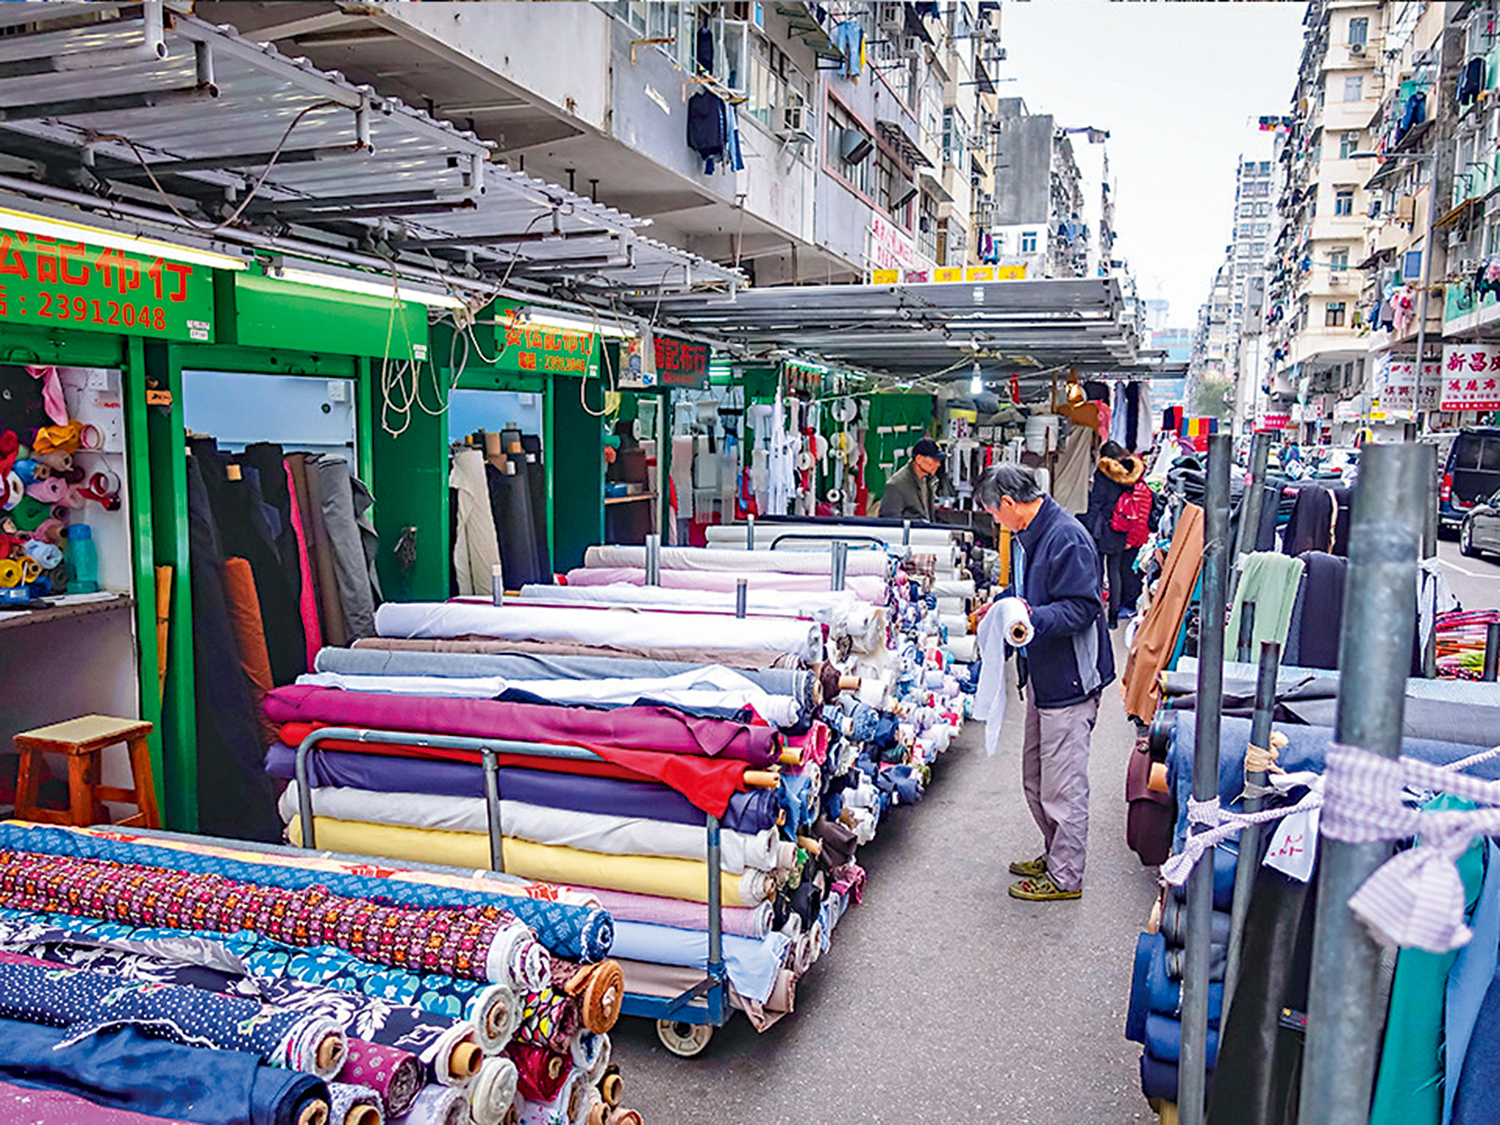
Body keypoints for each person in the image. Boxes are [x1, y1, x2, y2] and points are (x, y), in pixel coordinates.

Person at [975, 462, 1114, 902]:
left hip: (1070, 680)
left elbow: (1083, 607)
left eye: (994, 513)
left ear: (1009, 503)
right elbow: (1025, 594)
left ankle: (1065, 876)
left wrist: (1030, 618)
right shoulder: (1029, 536)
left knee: (1062, 785)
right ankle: (1056, 854)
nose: (996, 521)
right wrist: (1000, 607)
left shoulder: (1065, 537)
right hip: (1045, 676)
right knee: (1037, 778)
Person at [1083, 440, 1144, 629]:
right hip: (1121, 527)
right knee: (1114, 571)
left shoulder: (1103, 473)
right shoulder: (1130, 473)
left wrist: (1088, 527)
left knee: (1098, 571)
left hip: (1102, 528)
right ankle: (1113, 617)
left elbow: (1097, 503)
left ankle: (1098, 613)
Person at [878, 437, 942, 520]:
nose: (938, 464)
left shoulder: (929, 480)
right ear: (919, 459)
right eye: (935, 460)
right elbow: (889, 522)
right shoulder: (896, 486)